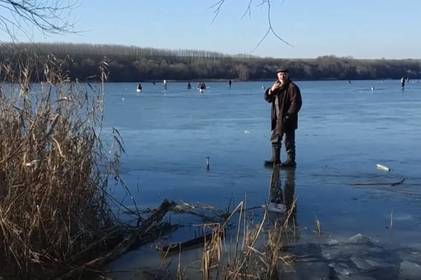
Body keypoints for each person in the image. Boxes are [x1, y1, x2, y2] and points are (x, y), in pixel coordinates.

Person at [264, 68, 302, 169]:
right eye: (280, 74)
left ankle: (291, 161)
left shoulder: (292, 87)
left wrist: (288, 116)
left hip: (288, 119)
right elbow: (268, 99)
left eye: (284, 74)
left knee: (289, 141)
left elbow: (296, 104)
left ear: (288, 75)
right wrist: (271, 90)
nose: (282, 76)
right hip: (277, 118)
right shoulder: (276, 86)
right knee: (275, 139)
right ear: (277, 75)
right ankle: (275, 159)